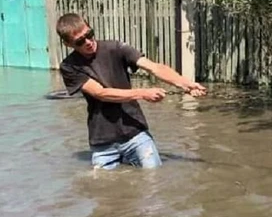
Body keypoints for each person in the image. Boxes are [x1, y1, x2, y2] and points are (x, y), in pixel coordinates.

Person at [55, 13, 206, 170]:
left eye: (89, 34)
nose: (88, 42)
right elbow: (101, 93)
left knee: (154, 179)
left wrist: (186, 84)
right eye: (80, 41)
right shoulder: (69, 67)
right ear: (68, 44)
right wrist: (142, 93)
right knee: (102, 190)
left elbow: (154, 67)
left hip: (135, 133)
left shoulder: (115, 47)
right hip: (103, 142)